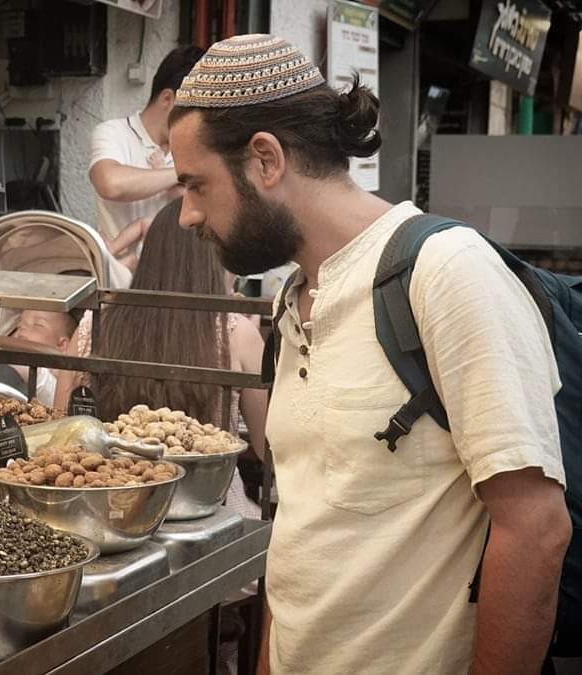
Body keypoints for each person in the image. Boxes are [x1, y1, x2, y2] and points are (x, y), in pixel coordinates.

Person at [167, 34, 570, 675]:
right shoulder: (294, 297)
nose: (187, 214)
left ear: (265, 159)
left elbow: (537, 530)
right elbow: (306, 526)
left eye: (196, 184)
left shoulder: (448, 274)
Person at [53, 198, 268, 518]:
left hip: (107, 505)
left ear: (149, 255)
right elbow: (271, 447)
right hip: (207, 507)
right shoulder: (235, 331)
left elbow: (61, 431)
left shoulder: (93, 326)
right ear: (216, 259)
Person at [89, 45, 204, 269]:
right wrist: (182, 173)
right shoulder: (113, 132)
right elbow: (111, 184)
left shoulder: (198, 148)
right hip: (121, 279)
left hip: (178, 276)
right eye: (196, 108)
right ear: (167, 99)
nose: (201, 119)